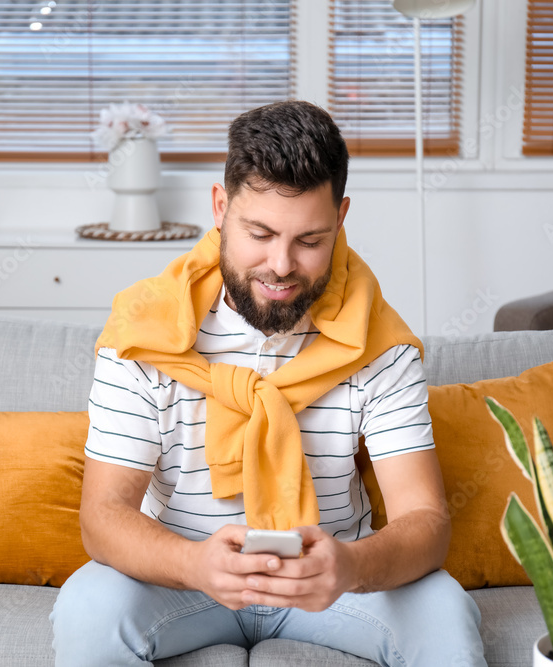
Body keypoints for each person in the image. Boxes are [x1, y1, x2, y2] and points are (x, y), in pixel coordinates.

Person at [50, 100, 485, 666]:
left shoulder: (378, 341)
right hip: (182, 580)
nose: (281, 265)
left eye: (309, 240)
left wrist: (350, 567)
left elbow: (426, 521)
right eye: (259, 232)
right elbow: (102, 516)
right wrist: (193, 564)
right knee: (88, 604)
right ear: (220, 207)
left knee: (445, 610)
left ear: (341, 219)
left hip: (331, 585)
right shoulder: (146, 333)